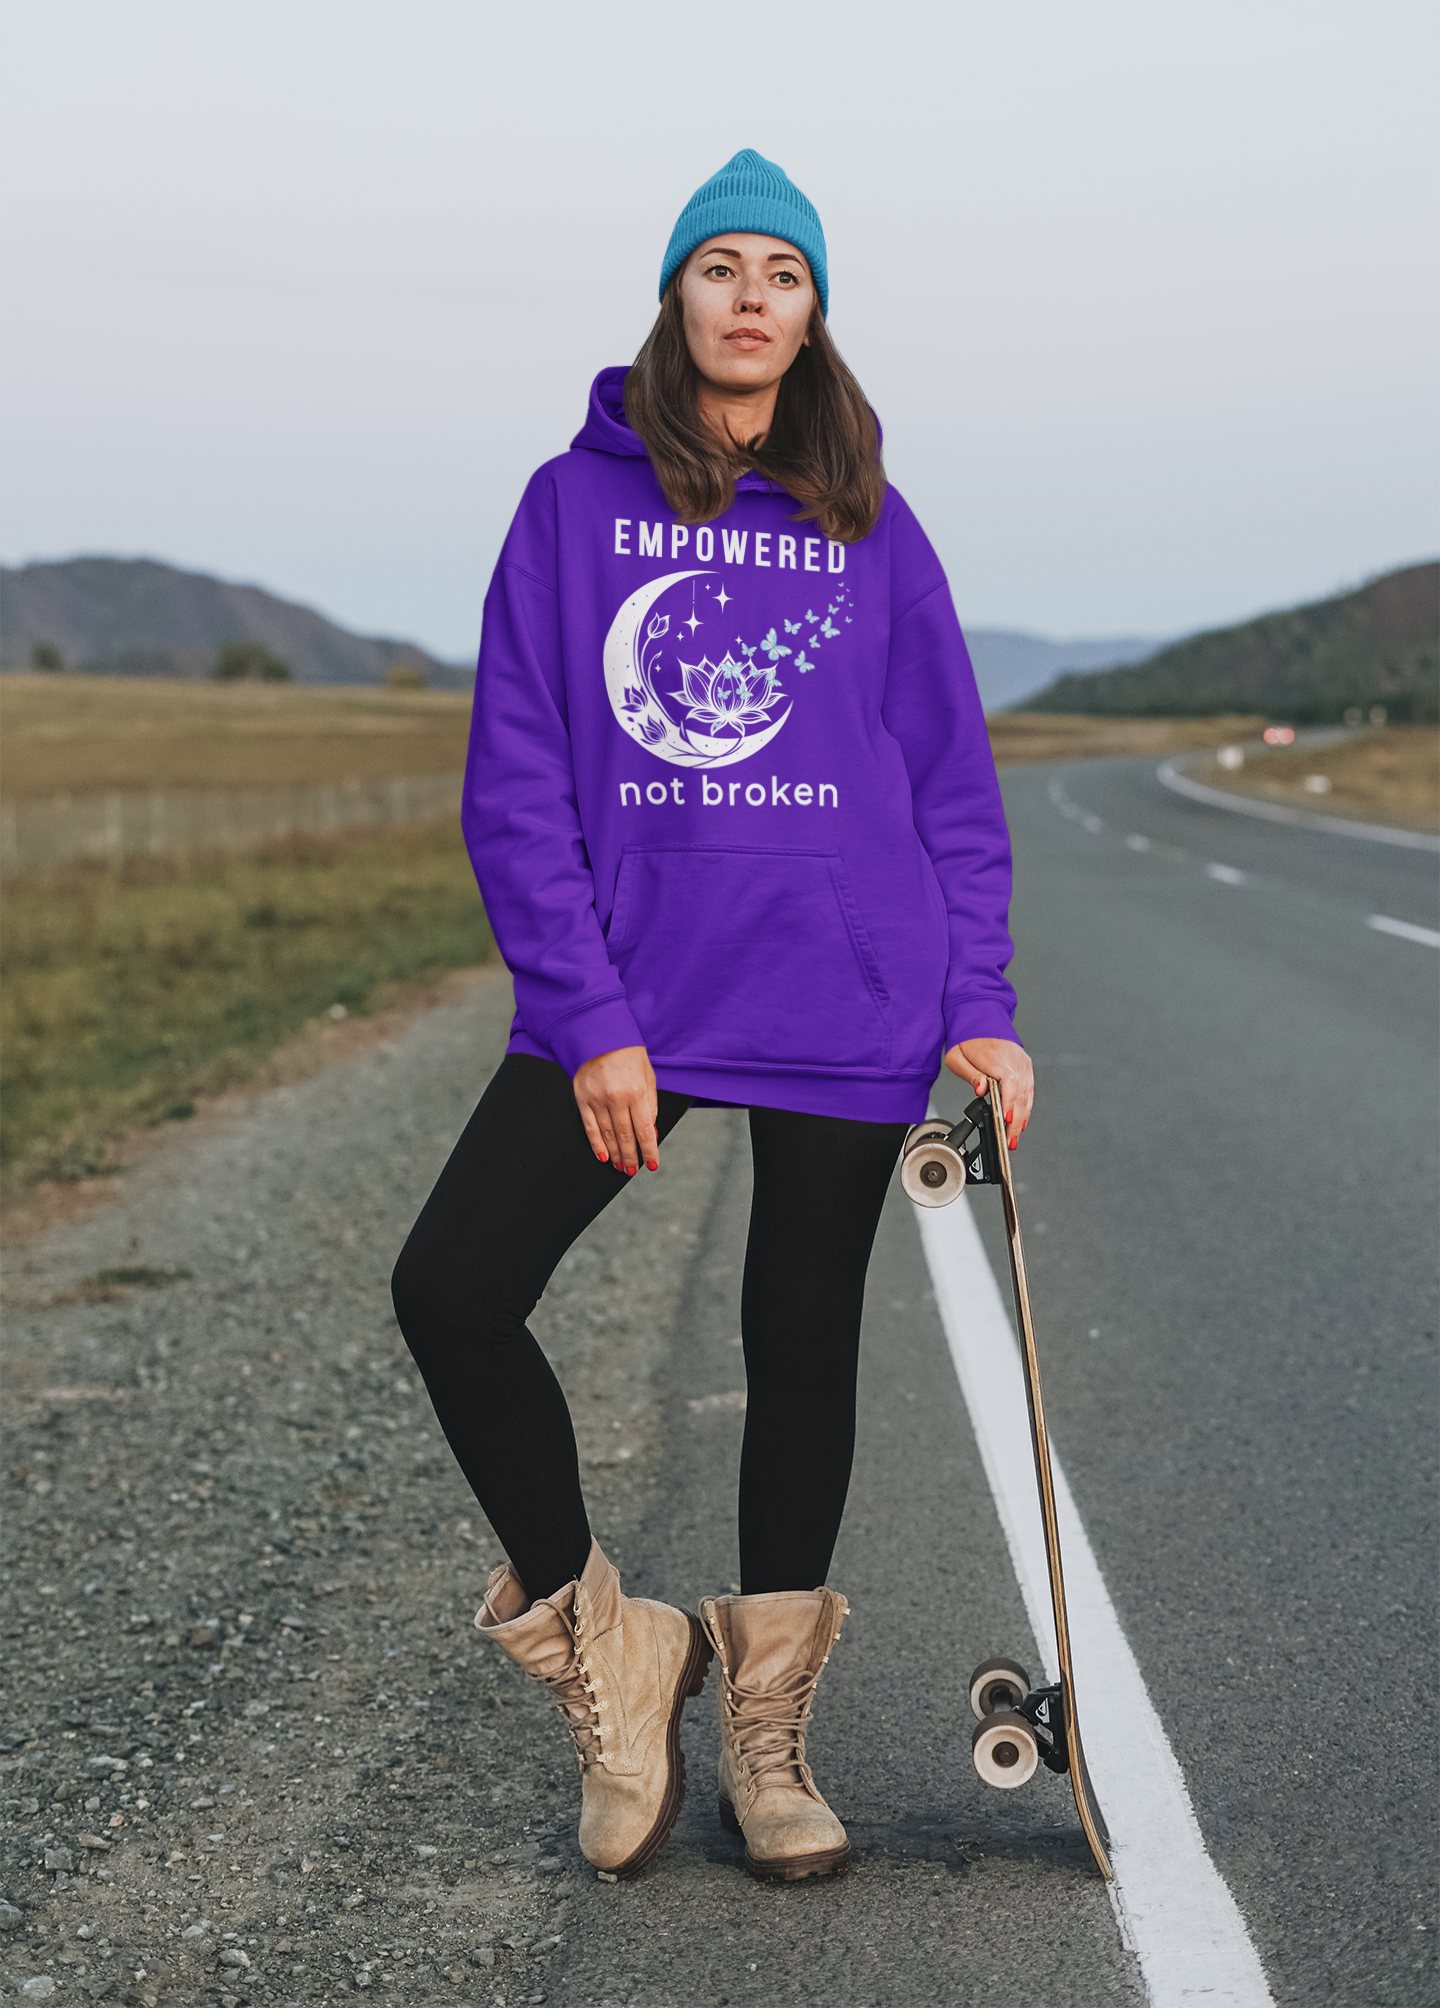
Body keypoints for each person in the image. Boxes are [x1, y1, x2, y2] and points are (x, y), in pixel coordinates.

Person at [391, 149, 1032, 1885]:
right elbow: (519, 781)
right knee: (450, 1287)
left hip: (850, 986)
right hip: (643, 999)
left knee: (799, 1329)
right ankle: (611, 1643)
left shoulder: (868, 525)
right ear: (676, 299)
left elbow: (952, 788)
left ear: (815, 315)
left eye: (787, 275)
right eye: (721, 268)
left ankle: (764, 1729)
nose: (753, 297)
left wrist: (982, 1003)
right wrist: (587, 1015)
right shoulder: (572, 508)